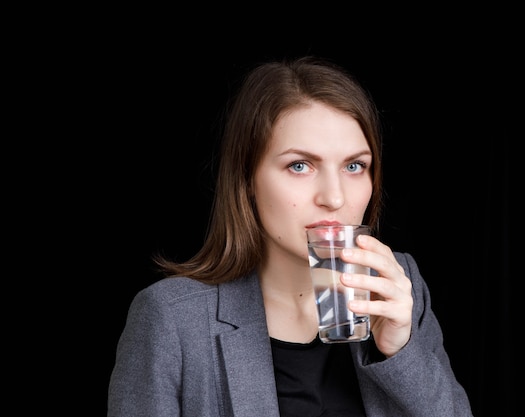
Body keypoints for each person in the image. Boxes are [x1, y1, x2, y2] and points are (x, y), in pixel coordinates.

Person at [108, 55, 473, 417]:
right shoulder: (172, 318)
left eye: (354, 166)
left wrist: (401, 352)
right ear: (246, 179)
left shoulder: (398, 286)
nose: (334, 198)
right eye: (300, 166)